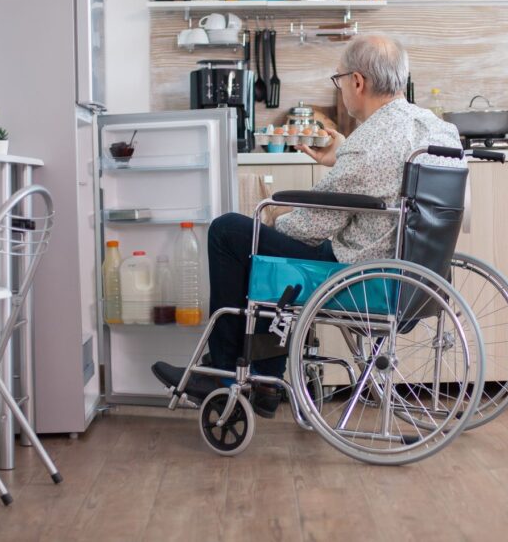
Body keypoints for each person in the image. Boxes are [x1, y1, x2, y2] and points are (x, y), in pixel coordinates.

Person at [152, 34, 463, 417]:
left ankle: (227, 377)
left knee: (230, 232)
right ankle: (263, 380)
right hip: (415, 278)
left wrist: (270, 217)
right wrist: (342, 156)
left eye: (339, 80)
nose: (342, 88)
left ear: (358, 82)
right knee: (265, 252)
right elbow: (387, 180)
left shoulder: (369, 143)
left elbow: (311, 227)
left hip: (361, 278)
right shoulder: (437, 129)